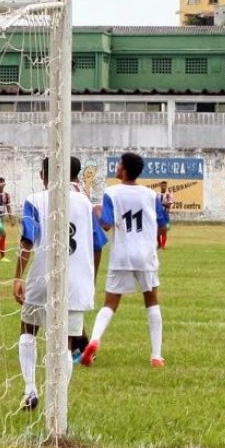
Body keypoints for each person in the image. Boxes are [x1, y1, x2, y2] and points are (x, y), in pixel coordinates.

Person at [12, 156, 106, 412]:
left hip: (41, 278)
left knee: (28, 330)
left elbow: (27, 241)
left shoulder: (35, 199)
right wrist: (90, 279)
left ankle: (30, 389)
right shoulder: (85, 203)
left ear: (45, 175)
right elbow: (98, 245)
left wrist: (18, 276)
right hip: (75, 284)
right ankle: (57, 402)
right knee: (67, 343)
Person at [82, 153, 170, 368]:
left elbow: (106, 225)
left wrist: (97, 211)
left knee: (110, 303)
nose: (117, 166)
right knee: (151, 300)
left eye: (119, 164)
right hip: (145, 255)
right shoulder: (151, 195)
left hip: (121, 255)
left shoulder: (111, 192)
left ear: (124, 170)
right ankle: (156, 356)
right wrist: (153, 239)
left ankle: (94, 341)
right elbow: (163, 225)